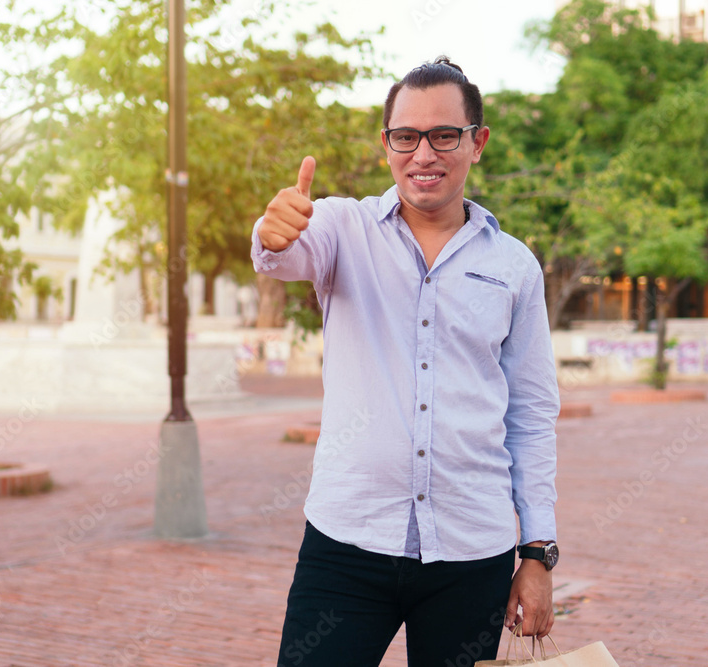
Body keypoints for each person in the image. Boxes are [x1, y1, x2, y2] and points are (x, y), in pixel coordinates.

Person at [252, 57, 560, 667]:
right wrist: (271, 232)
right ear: (387, 145)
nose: (424, 154)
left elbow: (530, 412)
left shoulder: (515, 267)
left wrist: (536, 554)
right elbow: (283, 254)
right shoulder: (341, 227)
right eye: (406, 137)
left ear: (478, 143)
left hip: (473, 550)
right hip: (348, 540)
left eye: (445, 135)